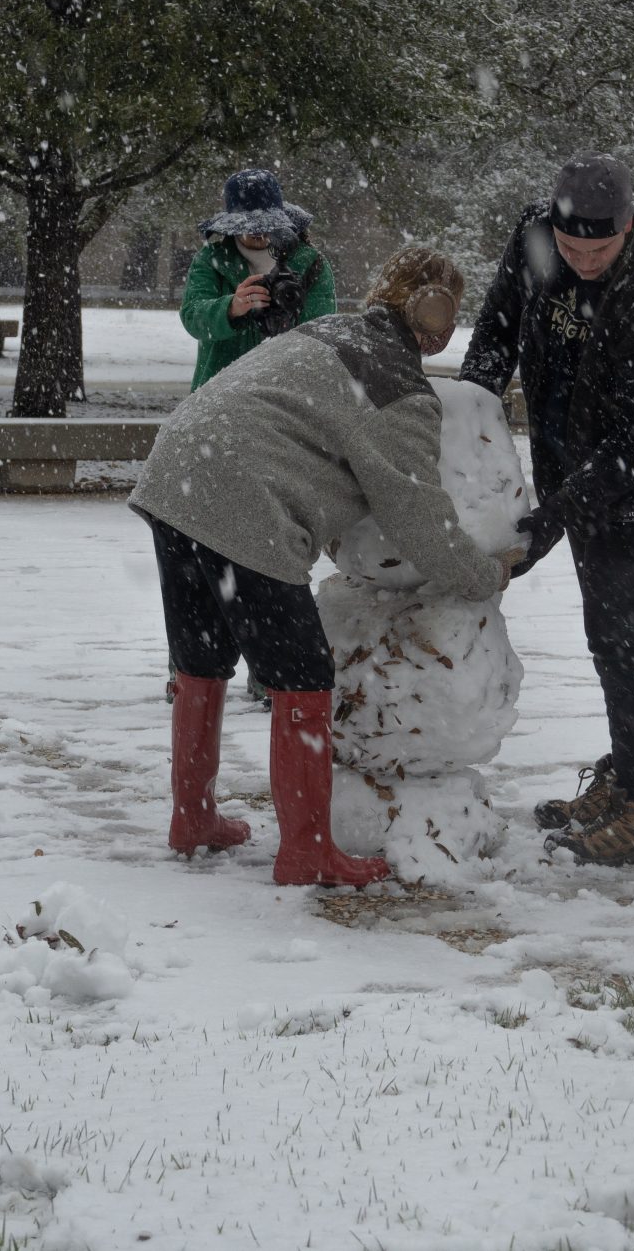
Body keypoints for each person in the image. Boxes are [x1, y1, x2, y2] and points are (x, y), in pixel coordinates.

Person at [132, 248, 520, 887]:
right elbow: (417, 519)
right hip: (245, 501)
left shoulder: (327, 329)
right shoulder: (398, 387)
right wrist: (486, 575)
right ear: (435, 315)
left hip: (176, 475)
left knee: (201, 662)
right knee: (303, 679)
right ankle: (308, 852)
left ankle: (192, 818)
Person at [461, 154, 634, 867]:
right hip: (579, 462)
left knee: (623, 623)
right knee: (610, 625)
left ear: (628, 226)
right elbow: (496, 336)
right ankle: (629, 772)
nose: (582, 262)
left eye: (597, 250)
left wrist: (553, 517)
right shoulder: (537, 238)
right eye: (571, 250)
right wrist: (462, 427)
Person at [178, 168, 336, 389]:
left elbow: (322, 331)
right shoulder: (210, 259)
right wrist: (231, 308)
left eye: (265, 225)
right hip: (220, 387)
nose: (258, 232)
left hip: (290, 390)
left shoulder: (312, 263)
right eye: (249, 226)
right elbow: (193, 316)